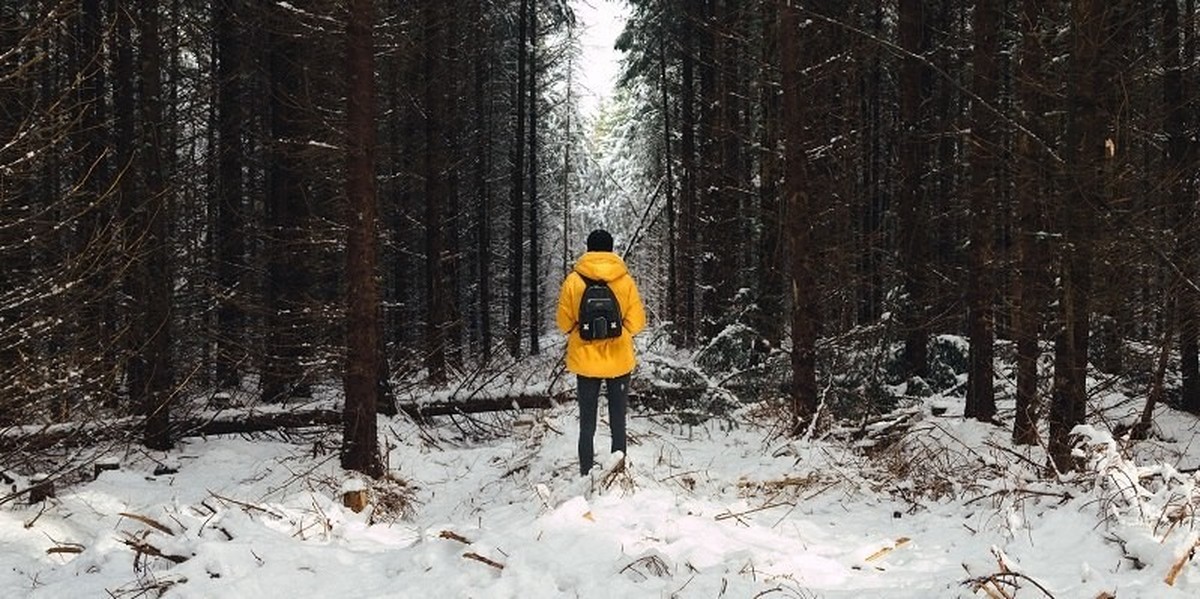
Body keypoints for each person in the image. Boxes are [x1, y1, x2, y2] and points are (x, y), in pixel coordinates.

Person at [556, 229, 646, 476]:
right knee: (618, 420)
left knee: (587, 423)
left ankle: (586, 472)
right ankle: (618, 471)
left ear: (588, 249)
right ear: (611, 249)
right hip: (619, 359)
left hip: (585, 361)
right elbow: (637, 323)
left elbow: (563, 324)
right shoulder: (624, 280)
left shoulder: (574, 280)